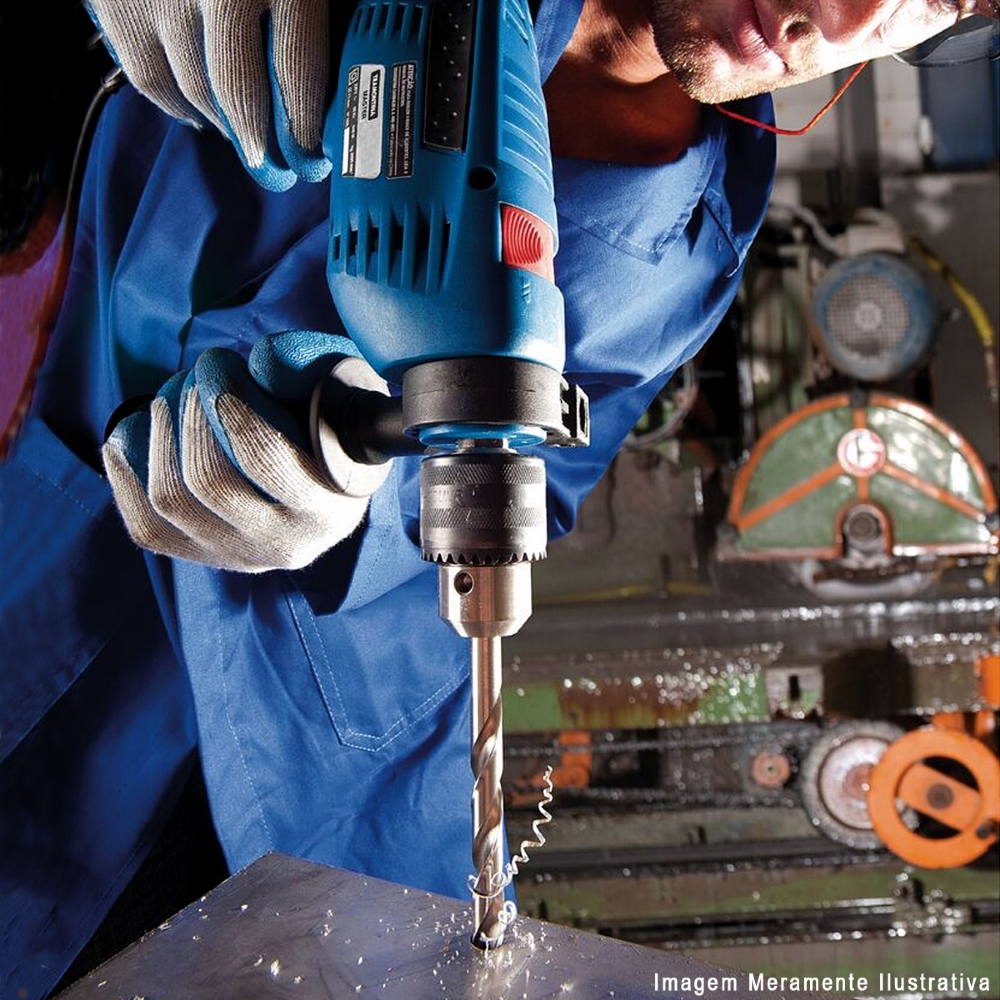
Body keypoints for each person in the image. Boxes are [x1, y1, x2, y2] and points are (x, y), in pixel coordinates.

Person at [1, 1, 995, 997]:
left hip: (335, 765)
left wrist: (354, 484)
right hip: (80, 608)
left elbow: (538, 479)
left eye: (943, 1)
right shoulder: (438, 19)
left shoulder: (698, 235)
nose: (849, 17)